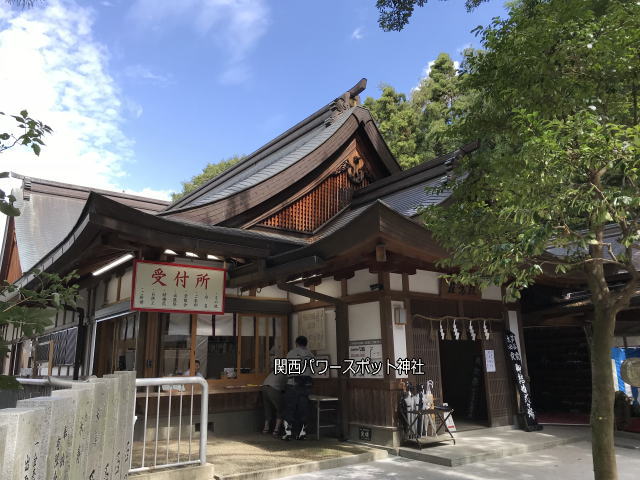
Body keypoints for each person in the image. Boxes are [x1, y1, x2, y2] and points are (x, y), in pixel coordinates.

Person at [282, 335, 314, 440]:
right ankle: (302, 434)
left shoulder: (291, 353)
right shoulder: (311, 355)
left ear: (296, 343)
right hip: (306, 386)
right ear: (306, 343)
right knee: (303, 409)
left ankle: (288, 434)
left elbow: (286, 369)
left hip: (293, 384)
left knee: (289, 409)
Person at [261, 345, 286, 436]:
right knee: (280, 409)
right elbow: (285, 386)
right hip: (273, 388)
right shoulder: (288, 370)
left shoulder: (277, 368)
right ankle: (276, 429)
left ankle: (266, 428)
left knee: (267, 408)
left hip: (264, 386)